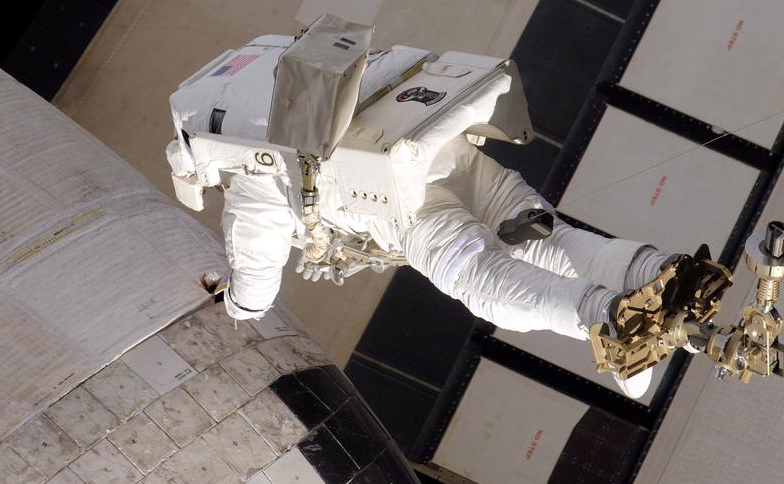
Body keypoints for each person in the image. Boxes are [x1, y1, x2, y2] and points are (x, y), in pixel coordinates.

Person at [167, 26, 694, 397]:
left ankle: (609, 319)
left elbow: (256, 281)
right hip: (447, 152)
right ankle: (654, 271)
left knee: (484, 280)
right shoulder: (291, 80)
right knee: (545, 239)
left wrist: (236, 304)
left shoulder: (250, 172)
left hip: (406, 204)